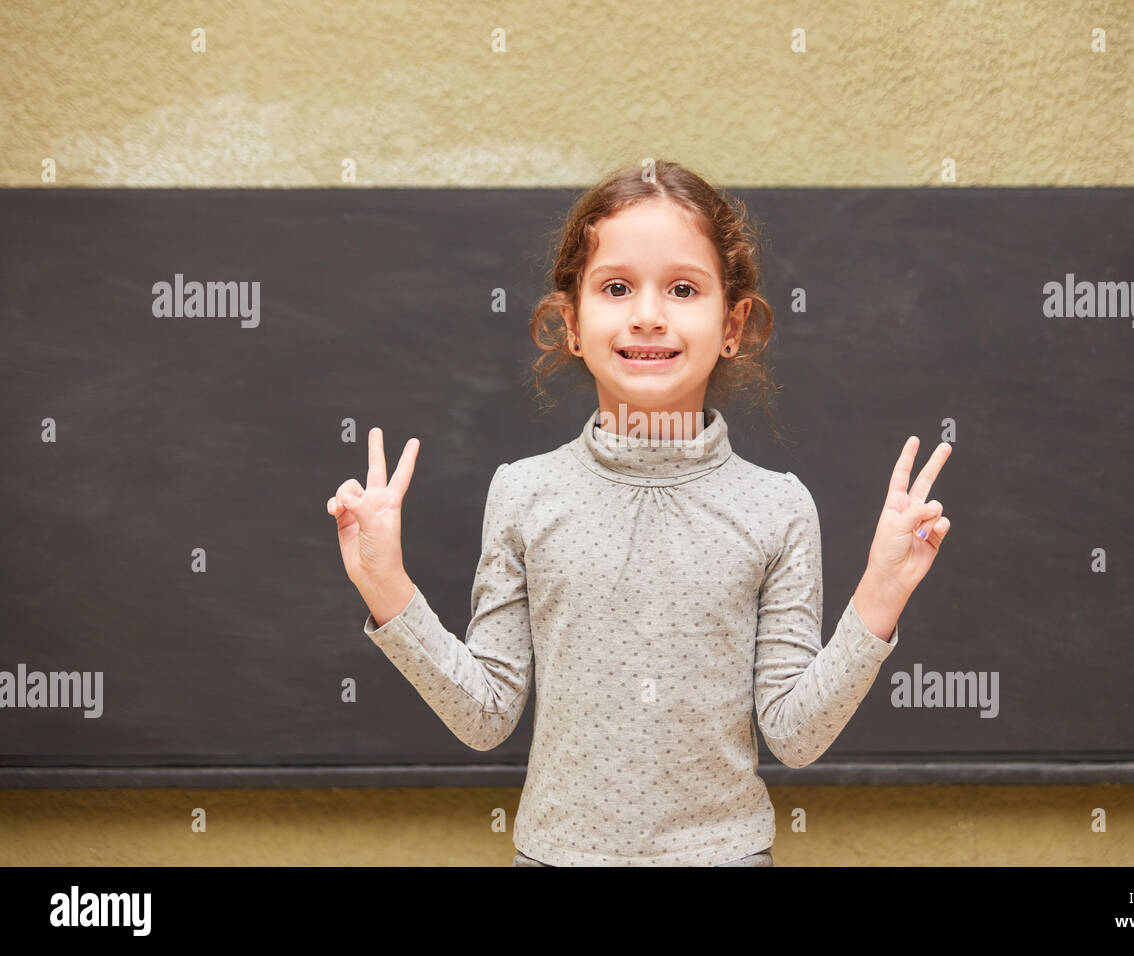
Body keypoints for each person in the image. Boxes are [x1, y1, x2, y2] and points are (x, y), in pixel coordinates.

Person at [325, 160, 952, 866]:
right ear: (571, 322)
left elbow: (795, 735)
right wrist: (386, 586)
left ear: (732, 323)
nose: (648, 314)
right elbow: (485, 714)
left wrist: (882, 593)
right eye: (616, 287)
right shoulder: (525, 494)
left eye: (683, 289)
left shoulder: (777, 508)